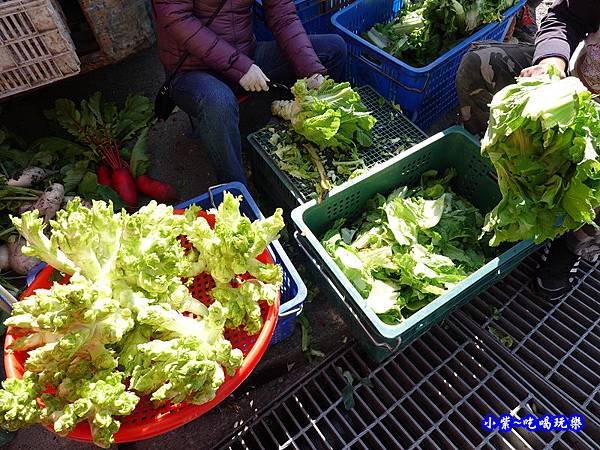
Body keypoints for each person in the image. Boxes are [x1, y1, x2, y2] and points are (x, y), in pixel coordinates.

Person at [455, 0, 600, 302]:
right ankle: (499, 174)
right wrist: (551, 62)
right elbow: (566, 15)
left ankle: (572, 247)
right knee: (479, 64)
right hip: (570, 84)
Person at [152, 0, 347, 186]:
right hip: (193, 70)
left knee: (333, 49)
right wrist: (240, 66)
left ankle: (304, 137)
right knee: (218, 101)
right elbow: (176, 18)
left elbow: (283, 14)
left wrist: (311, 70)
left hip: (245, 55)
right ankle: (237, 192)